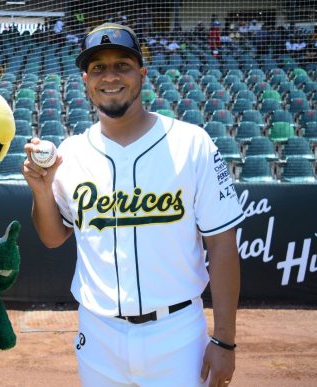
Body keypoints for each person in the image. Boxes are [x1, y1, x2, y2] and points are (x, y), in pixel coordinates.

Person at [22, 23, 244, 386]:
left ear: (141, 73)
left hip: (177, 332)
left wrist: (224, 340)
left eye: (122, 65)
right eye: (98, 68)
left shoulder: (192, 144)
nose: (110, 76)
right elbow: (51, 237)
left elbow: (222, 244)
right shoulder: (71, 154)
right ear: (86, 79)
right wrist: (41, 190)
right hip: (98, 333)